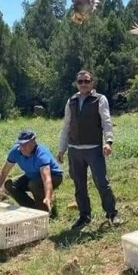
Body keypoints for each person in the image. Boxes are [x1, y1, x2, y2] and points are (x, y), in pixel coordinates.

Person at [57, 70, 122, 230]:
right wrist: (61, 149)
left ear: (92, 82)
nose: (83, 84)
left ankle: (112, 214)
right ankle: (84, 216)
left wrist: (108, 141)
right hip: (74, 150)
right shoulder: (71, 101)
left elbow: (106, 121)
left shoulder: (99, 99)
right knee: (79, 185)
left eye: (86, 81)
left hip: (93, 148)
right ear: (76, 83)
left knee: (101, 182)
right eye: (80, 82)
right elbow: (66, 126)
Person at [0, 129, 63, 217]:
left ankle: (44, 213)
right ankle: (32, 210)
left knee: (34, 184)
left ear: (33, 141)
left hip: (54, 176)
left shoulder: (41, 154)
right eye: (20, 144)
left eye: (25, 144)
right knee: (10, 184)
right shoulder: (15, 152)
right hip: (32, 176)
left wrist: (48, 196)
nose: (22, 147)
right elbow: (3, 173)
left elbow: (46, 179)